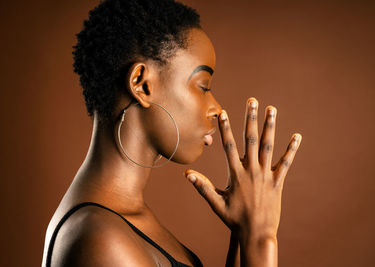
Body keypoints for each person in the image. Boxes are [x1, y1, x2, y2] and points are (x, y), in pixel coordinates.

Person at [41, 0, 302, 266]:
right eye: (203, 86)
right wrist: (261, 238)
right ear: (141, 84)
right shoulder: (102, 240)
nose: (217, 108)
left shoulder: (118, 219)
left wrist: (244, 230)